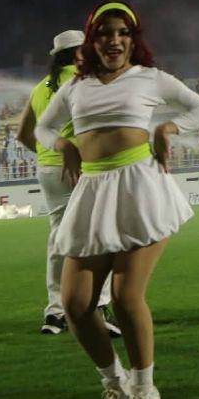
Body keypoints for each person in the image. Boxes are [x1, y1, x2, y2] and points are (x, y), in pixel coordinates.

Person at [35, 0, 199, 399]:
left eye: (122, 33)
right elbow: (42, 127)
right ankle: (115, 387)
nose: (113, 40)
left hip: (141, 188)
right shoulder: (75, 87)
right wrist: (63, 145)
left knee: (125, 297)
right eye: (104, 33)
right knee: (76, 304)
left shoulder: (150, 78)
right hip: (93, 192)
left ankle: (146, 392)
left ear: (133, 39)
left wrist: (167, 127)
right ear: (91, 41)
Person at [18, 29, 121, 337]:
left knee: (58, 240)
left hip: (49, 171)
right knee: (100, 235)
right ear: (79, 54)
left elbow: (24, 134)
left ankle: (55, 312)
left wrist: (50, 154)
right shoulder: (85, 82)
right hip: (83, 169)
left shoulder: (40, 88)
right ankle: (98, 307)